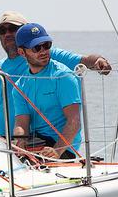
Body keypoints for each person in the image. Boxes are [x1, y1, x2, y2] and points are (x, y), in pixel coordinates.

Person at [0, 10, 110, 138]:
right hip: (4, 146)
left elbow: (84, 60)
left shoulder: (45, 54)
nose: (7, 34)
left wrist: (99, 61)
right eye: (2, 31)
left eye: (12, 29)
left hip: (43, 142)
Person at [10, 22, 82, 160]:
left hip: (63, 147)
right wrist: (19, 141)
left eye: (46, 45)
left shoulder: (63, 76)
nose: (43, 51)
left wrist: (57, 151)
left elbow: (74, 121)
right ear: (21, 52)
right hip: (37, 143)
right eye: (36, 47)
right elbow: (21, 123)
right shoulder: (20, 85)